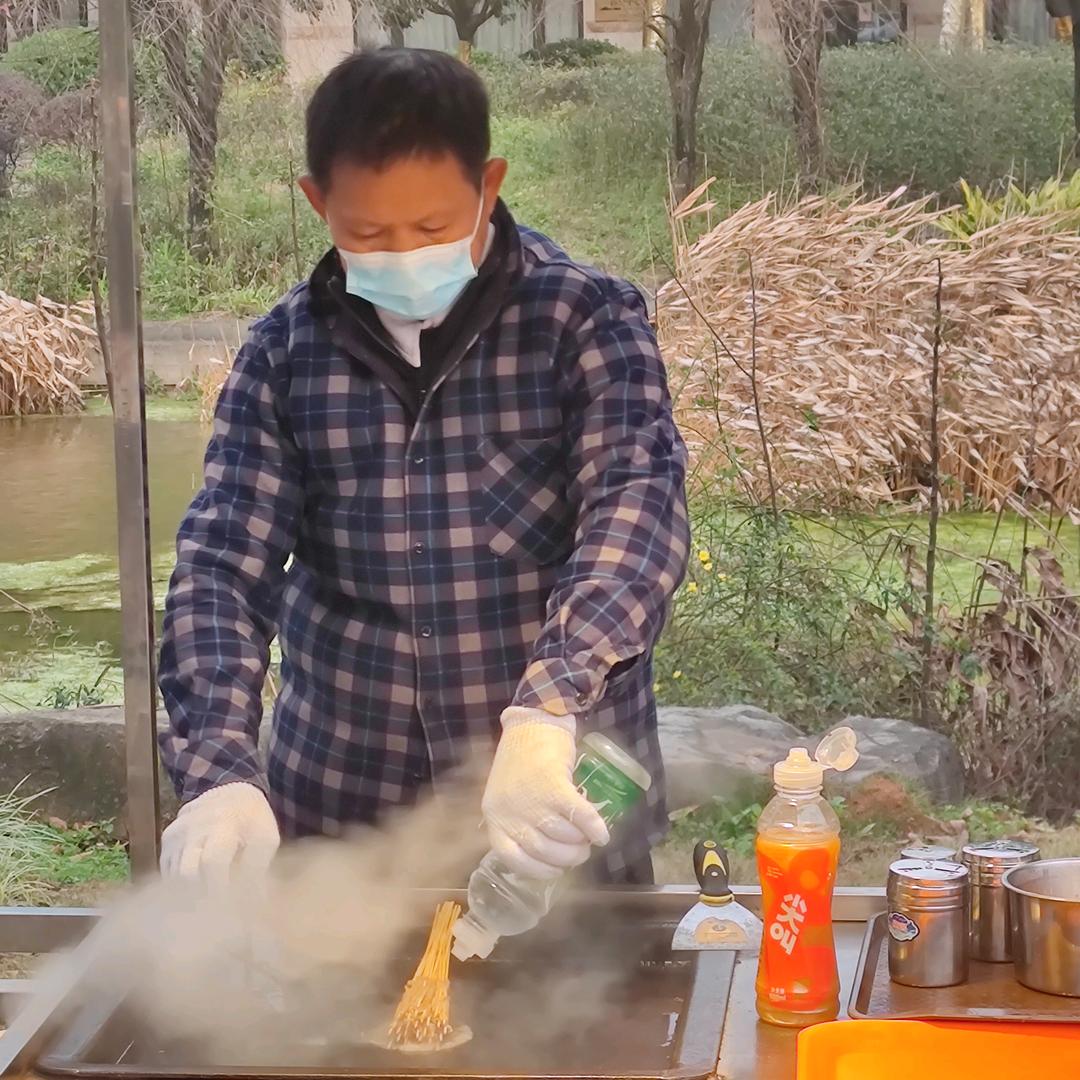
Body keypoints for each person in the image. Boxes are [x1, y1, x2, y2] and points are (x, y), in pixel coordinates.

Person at [156, 48, 689, 887]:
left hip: (556, 805)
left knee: (593, 972)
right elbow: (223, 566)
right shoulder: (284, 355)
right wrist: (218, 771)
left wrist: (548, 708)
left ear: (489, 185)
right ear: (318, 203)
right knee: (333, 978)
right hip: (344, 816)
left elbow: (636, 514)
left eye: (435, 228)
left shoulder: (581, 321)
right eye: (368, 235)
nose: (403, 255)